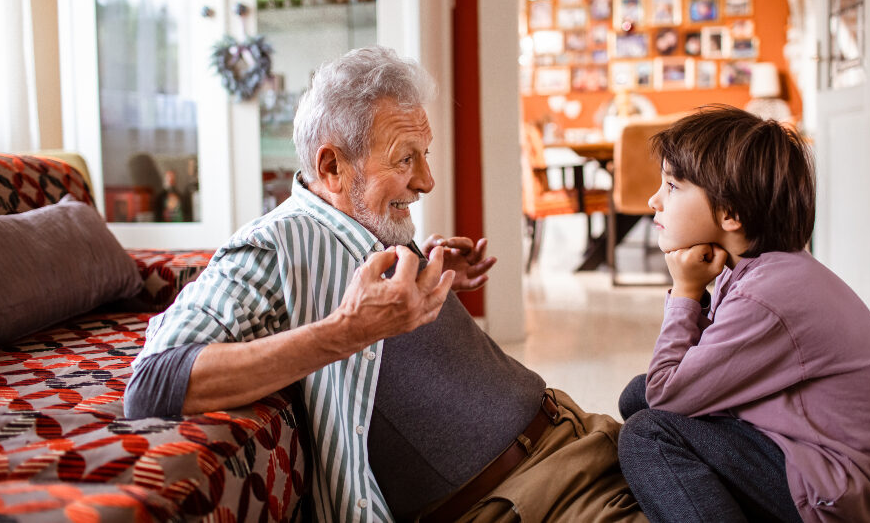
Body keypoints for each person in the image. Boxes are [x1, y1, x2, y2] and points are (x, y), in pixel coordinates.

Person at [125, 46, 645, 523]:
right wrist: (346, 332)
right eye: (405, 158)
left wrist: (435, 281)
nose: (426, 181)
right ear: (332, 166)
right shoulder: (271, 247)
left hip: (579, 434)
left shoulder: (368, 227)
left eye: (425, 155)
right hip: (534, 499)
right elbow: (154, 381)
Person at [616, 105, 870, 522]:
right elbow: (694, 371)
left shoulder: (765, 297)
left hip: (832, 490)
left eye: (672, 186)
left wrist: (686, 290)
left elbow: (670, 394)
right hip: (804, 451)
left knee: (648, 434)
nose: (653, 199)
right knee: (635, 395)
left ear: (731, 213)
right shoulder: (764, 268)